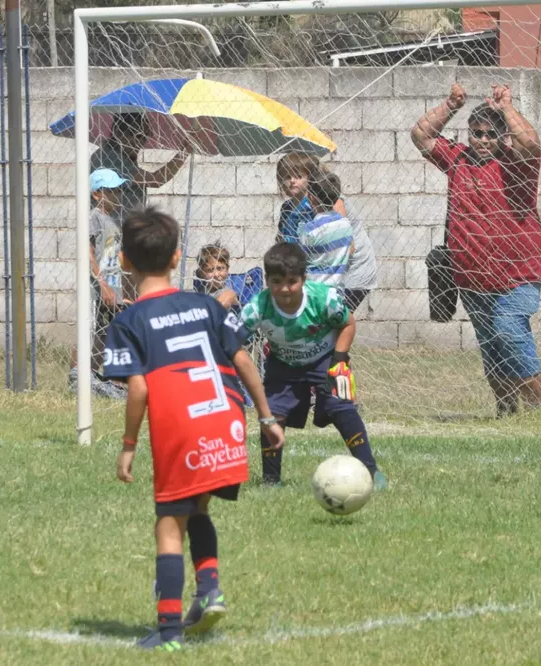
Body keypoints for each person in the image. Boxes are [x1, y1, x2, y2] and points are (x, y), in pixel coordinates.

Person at [103, 207, 285, 651]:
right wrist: (266, 417)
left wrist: (128, 446)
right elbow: (243, 360)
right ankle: (209, 591)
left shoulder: (128, 321)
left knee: (168, 525)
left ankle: (167, 634)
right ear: (177, 258)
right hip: (227, 418)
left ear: (124, 261)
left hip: (182, 427)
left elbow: (140, 390)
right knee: (198, 509)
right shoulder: (205, 304)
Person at [411, 82, 541, 417]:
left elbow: (530, 142)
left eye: (490, 134)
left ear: (502, 137)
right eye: (477, 133)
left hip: (517, 273)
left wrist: (507, 109)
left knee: (508, 330)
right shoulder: (458, 160)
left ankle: (538, 410)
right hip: (472, 277)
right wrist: (451, 105)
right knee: (491, 344)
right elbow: (421, 136)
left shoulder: (518, 165)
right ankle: (506, 411)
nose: (483, 140)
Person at [239, 242, 387, 490]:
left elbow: (348, 324)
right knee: (272, 415)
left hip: (325, 360)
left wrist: (339, 360)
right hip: (282, 365)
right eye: (276, 281)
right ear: (267, 281)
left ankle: (370, 471)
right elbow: (234, 341)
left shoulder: (323, 299)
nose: (284, 289)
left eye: (292, 281)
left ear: (303, 279)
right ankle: (271, 481)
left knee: (343, 408)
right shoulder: (257, 308)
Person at [275, 154, 378, 312]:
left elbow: (346, 245)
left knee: (334, 323)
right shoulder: (287, 209)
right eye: (287, 176)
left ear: (311, 178)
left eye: (298, 176)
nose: (292, 181)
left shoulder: (330, 200)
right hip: (316, 276)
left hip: (348, 271)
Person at [68, 169, 129, 399]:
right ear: (97, 194)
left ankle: (96, 376)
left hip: (113, 288)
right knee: (89, 330)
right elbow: (89, 252)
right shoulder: (93, 218)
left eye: (119, 189)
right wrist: (102, 284)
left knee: (107, 334)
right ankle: (76, 376)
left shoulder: (114, 219)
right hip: (97, 288)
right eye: (112, 191)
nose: (118, 195)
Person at [90, 112, 190, 223]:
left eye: (146, 136)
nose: (142, 143)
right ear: (118, 132)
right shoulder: (110, 157)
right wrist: (185, 151)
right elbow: (156, 179)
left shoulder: (122, 155)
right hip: (111, 230)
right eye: (138, 136)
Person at [193, 242, 239, 311]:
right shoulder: (199, 292)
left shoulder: (228, 294)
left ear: (227, 269)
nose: (216, 274)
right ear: (202, 273)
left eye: (220, 268)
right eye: (210, 270)